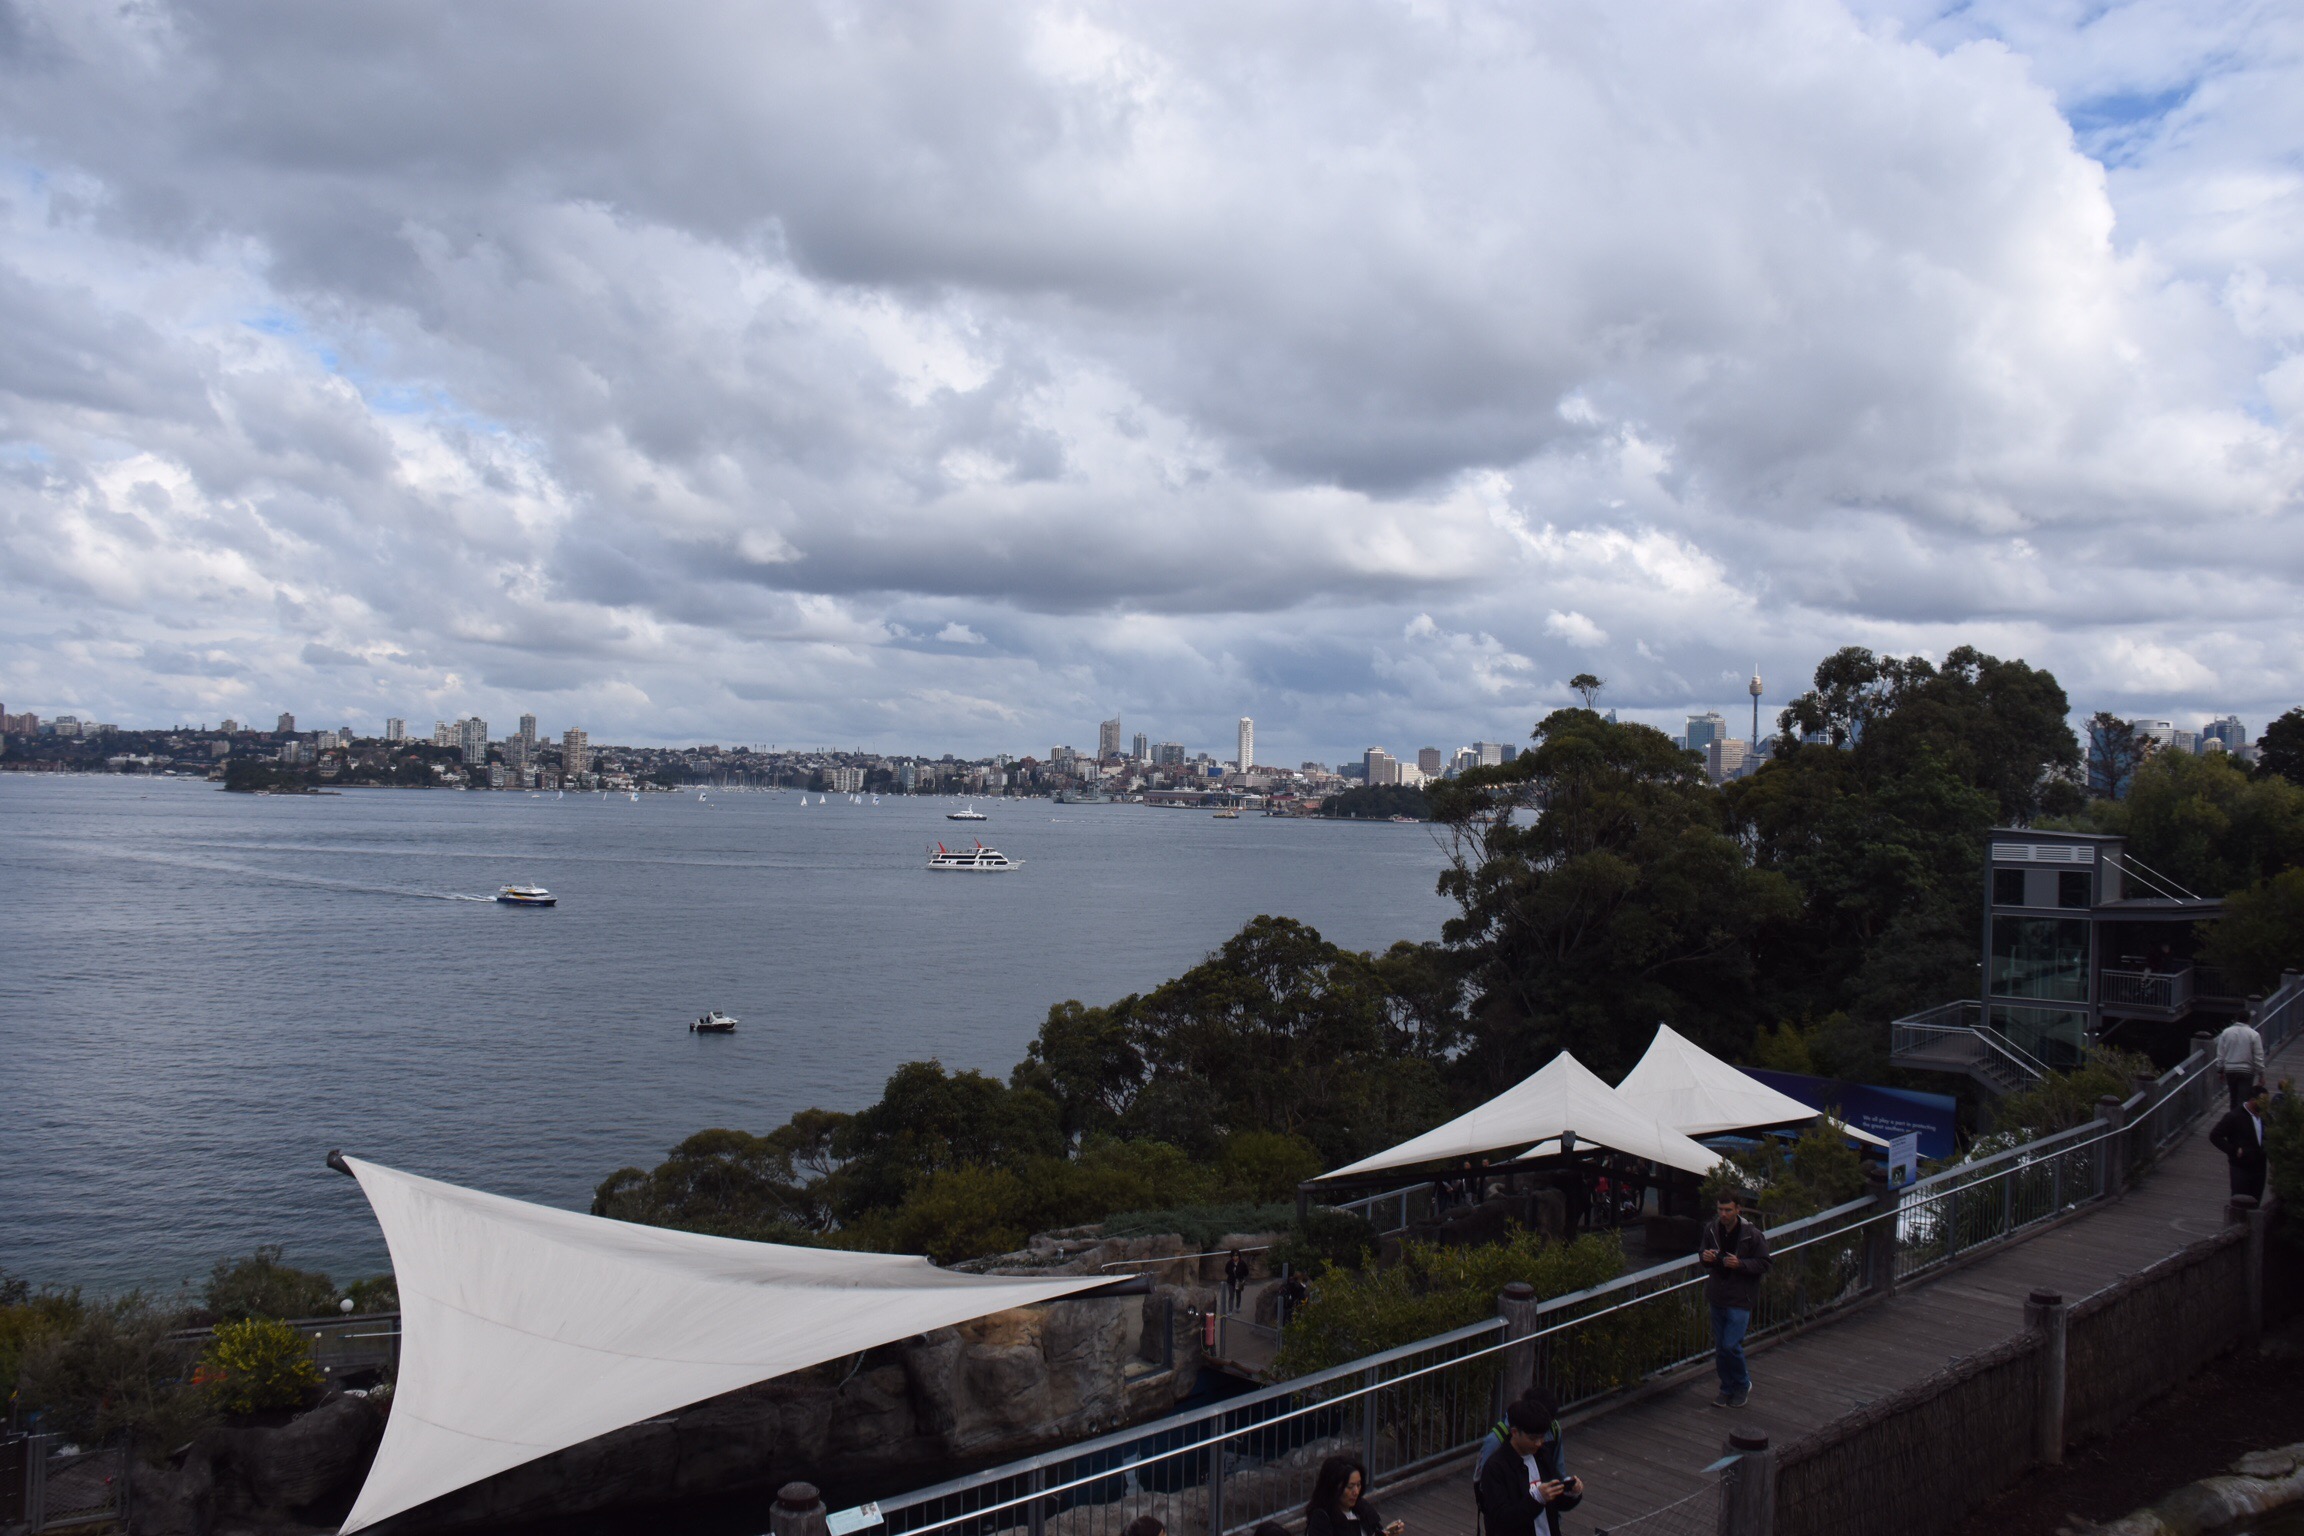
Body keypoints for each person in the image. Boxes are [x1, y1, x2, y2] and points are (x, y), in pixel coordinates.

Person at [1699, 1190, 1771, 1408]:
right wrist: (1705, 1257)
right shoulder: (1711, 1229)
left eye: (1728, 1210)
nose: (1723, 1214)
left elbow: (1764, 1263)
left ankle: (1742, 1384)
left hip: (1740, 1297)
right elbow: (1703, 1254)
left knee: (1731, 1345)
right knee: (1721, 1347)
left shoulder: (1752, 1234)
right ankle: (1726, 1388)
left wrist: (1740, 1264)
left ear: (1738, 1209)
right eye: (1720, 1209)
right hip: (1718, 1294)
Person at [1473, 1396, 1582, 1536]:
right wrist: (1536, 1499)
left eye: (1542, 1437)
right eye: (1532, 1438)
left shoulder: (1543, 1455)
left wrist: (1571, 1493)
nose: (1539, 1443)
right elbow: (1501, 1519)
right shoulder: (1495, 1468)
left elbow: (1555, 1504)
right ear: (1514, 1432)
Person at [1304, 1455, 1402, 1536]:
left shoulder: (1362, 1508)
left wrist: (1386, 1533)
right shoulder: (1321, 1520)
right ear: (1333, 1487)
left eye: (1358, 1485)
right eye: (1350, 1487)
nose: (1356, 1492)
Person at [2209, 1081, 2270, 1204]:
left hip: (2259, 1168)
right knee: (2240, 1203)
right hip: (2240, 1167)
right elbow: (2215, 1136)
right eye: (2262, 1102)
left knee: (2256, 1202)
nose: (2265, 1105)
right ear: (2252, 1100)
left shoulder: (2266, 1118)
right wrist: (2233, 1150)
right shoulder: (2234, 1116)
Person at [2217, 1017, 2268, 1110]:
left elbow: (2221, 1053)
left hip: (2230, 1069)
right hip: (2246, 1071)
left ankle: (2233, 1116)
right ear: (2248, 1020)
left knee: (2233, 1098)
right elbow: (2258, 1056)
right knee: (2243, 1099)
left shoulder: (2226, 1033)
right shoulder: (2254, 1034)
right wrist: (2261, 1074)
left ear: (2236, 1019)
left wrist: (2220, 1070)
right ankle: (2241, 1116)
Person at [1223, 1249, 1251, 1313]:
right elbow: (1226, 1270)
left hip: (1239, 1281)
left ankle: (1238, 1307)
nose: (1235, 1257)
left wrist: (1242, 1277)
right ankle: (1230, 1309)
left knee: (1238, 1295)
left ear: (1239, 1256)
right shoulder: (1229, 1263)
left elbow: (1246, 1272)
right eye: (1233, 1256)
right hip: (1231, 1281)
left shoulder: (1242, 1263)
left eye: (1236, 1255)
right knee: (1231, 1295)